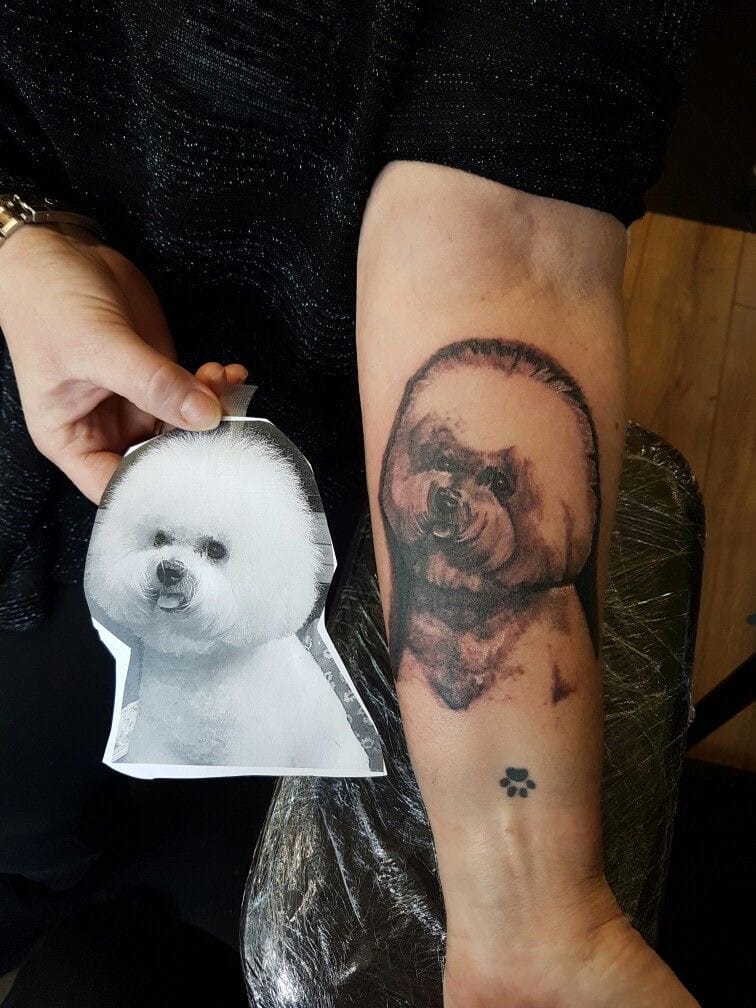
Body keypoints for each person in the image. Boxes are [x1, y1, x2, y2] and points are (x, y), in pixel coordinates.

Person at [0, 1, 710, 1004]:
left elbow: (503, 236)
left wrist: (526, 913)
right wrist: (19, 234)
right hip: (38, 418)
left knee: (227, 905)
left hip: (316, 524)